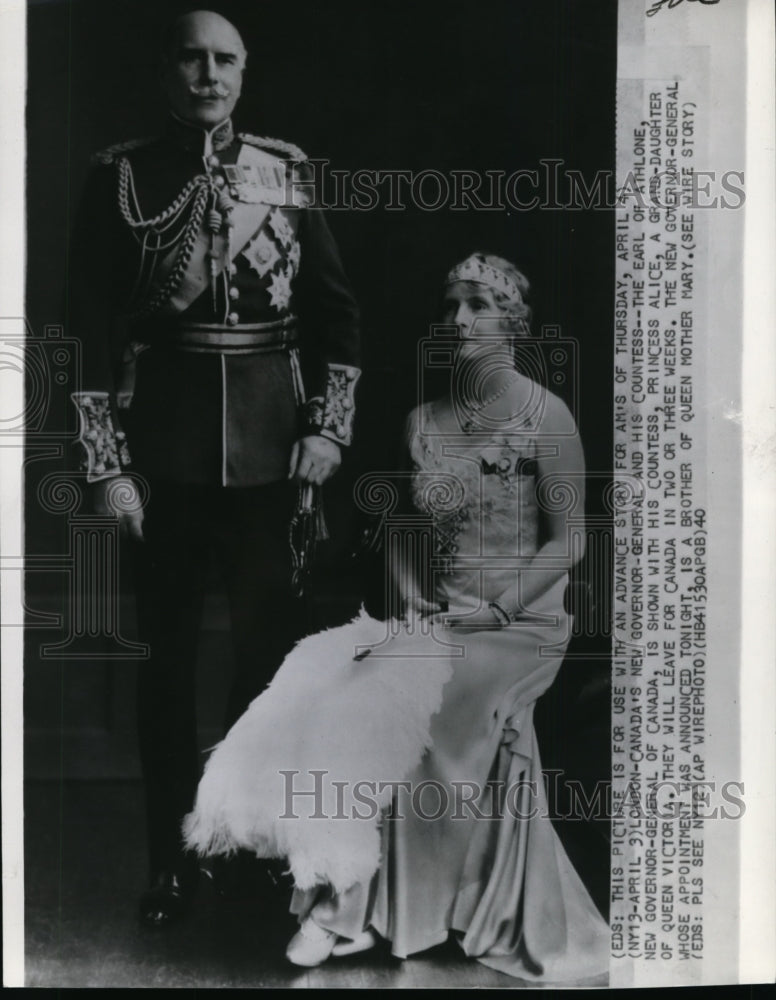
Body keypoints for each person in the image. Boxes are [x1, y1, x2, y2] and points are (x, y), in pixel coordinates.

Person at [183, 253, 609, 983]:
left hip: (522, 622)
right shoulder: (423, 419)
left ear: (513, 321)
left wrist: (498, 607)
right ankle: (350, 900)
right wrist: (412, 610)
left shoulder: (546, 415)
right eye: (450, 306)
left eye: (478, 305)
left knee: (425, 707)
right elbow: (410, 538)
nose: (460, 320)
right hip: (439, 617)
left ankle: (344, 917)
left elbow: (569, 539)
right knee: (338, 691)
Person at [67, 10, 360, 927]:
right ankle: (171, 863)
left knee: (269, 668)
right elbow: (83, 332)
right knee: (166, 673)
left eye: (224, 60)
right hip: (163, 459)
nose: (209, 75)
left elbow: (337, 316)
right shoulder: (122, 177)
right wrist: (108, 468)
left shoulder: (286, 170)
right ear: (168, 72)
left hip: (275, 458)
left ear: (244, 72)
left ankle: (245, 847)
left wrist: (329, 430)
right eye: (192, 59)